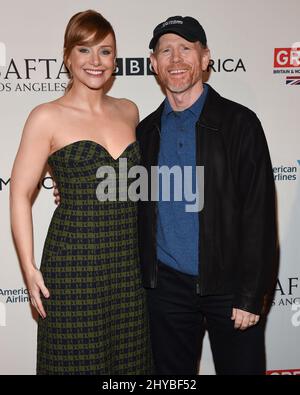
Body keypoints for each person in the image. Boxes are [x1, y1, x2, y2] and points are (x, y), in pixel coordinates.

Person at [10, 10, 153, 375]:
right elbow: (19, 194)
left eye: (105, 51)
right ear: (67, 56)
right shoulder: (47, 116)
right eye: (85, 50)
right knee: (76, 363)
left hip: (126, 264)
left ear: (115, 60)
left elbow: (133, 185)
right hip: (74, 262)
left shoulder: (129, 111)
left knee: (130, 365)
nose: (96, 61)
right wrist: (28, 268)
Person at [136, 16, 277, 374]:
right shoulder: (145, 131)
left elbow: (258, 214)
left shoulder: (240, 123)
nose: (176, 59)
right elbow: (124, 191)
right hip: (166, 290)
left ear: (205, 58)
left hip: (229, 287)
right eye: (166, 50)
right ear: (153, 63)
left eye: (186, 48)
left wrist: (250, 295)